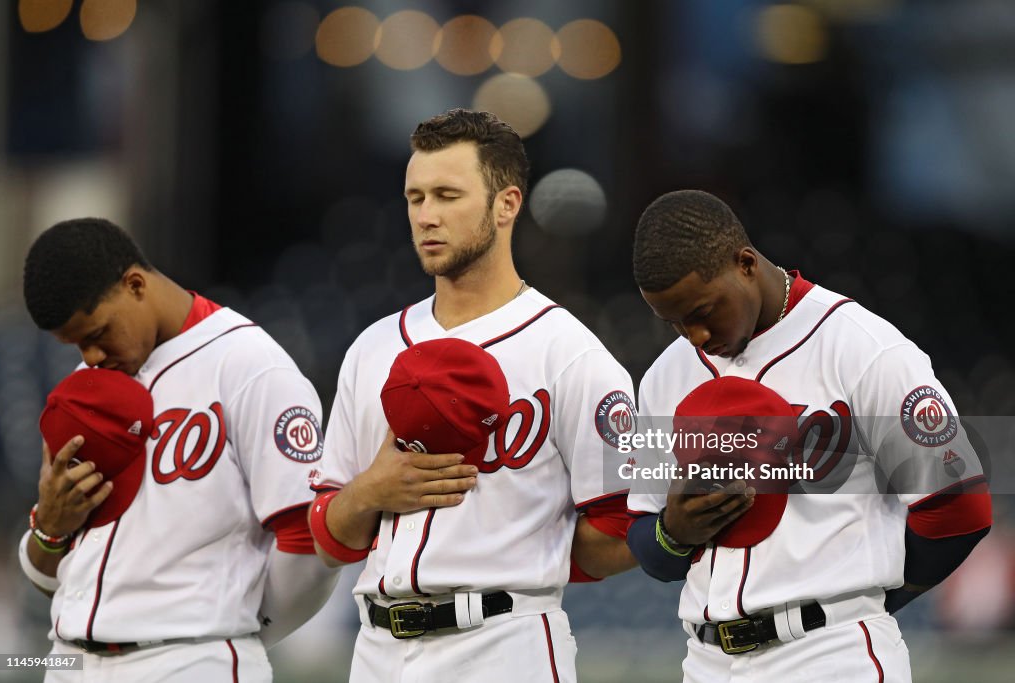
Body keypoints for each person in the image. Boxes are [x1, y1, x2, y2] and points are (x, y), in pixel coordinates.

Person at [309, 108, 639, 682]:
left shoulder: (573, 354)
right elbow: (328, 540)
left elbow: (624, 524)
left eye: (447, 195)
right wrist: (369, 492)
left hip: (502, 645)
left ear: (506, 204)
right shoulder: (372, 347)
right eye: (415, 198)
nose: (426, 216)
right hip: (377, 651)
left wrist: (529, 554)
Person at [626, 190, 992, 682]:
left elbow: (958, 509)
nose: (693, 334)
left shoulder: (863, 348)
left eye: (703, 311)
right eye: (672, 322)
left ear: (746, 264)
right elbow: (645, 541)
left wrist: (873, 601)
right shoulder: (664, 377)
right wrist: (673, 534)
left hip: (831, 655)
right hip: (708, 661)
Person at [19, 218, 339, 682]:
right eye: (76, 345)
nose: (88, 357)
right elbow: (46, 577)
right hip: (69, 660)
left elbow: (306, 539)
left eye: (97, 334)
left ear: (135, 284)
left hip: (187, 663)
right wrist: (50, 528)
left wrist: (239, 634)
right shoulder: (91, 387)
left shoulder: (250, 366)